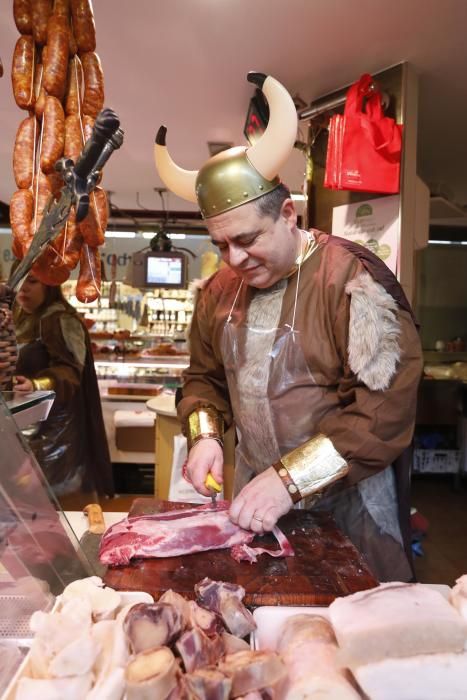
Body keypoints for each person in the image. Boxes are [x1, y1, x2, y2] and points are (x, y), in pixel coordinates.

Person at [154, 72, 423, 581]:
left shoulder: (351, 281)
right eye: (219, 244)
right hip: (259, 498)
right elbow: (203, 380)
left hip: (351, 505)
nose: (233, 258)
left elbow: (382, 412)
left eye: (247, 238)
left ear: (288, 214)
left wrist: (290, 480)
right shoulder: (218, 292)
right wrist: (205, 434)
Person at [12, 270, 114, 498]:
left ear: (49, 285)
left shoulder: (60, 319)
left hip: (56, 433)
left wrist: (37, 384)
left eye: (32, 281)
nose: (23, 288)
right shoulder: (22, 318)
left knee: (53, 507)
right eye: (19, 280)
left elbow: (71, 370)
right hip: (27, 425)